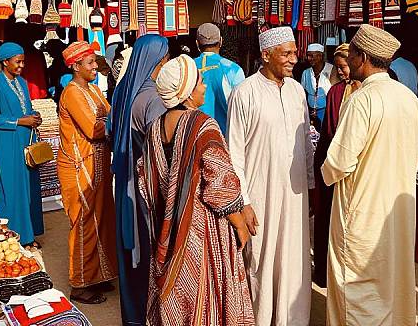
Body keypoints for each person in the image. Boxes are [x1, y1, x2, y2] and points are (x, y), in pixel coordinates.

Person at [138, 55, 254, 325]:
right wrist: (239, 223)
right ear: (187, 91)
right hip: (201, 228)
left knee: (178, 297)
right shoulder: (203, 125)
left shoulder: (155, 127)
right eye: (200, 81)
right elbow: (220, 185)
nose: (204, 87)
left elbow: (145, 177)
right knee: (206, 295)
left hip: (167, 232)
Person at [322, 25, 418, 326]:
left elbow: (338, 162)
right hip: (397, 212)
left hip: (362, 210)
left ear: (362, 57)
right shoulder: (409, 99)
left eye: (351, 52)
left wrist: (324, 172)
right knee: (391, 282)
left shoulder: (361, 99)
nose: (348, 58)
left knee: (357, 288)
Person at [227, 26, 314, 326]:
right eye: (286, 53)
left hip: (296, 193)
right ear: (266, 55)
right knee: (262, 261)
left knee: (294, 259)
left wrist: (311, 185)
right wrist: (244, 202)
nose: (294, 59)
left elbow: (305, 144)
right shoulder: (244, 93)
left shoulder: (297, 91)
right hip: (259, 195)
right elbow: (234, 151)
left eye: (295, 53)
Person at [111, 34, 169, 326]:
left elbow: (111, 131)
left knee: (129, 251)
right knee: (148, 251)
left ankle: (131, 316)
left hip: (123, 181)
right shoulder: (153, 98)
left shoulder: (122, 90)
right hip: (144, 186)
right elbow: (162, 149)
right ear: (161, 60)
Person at [57, 41, 118, 305]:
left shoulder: (92, 90)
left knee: (103, 220)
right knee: (84, 224)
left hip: (97, 165)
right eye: (91, 62)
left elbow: (110, 114)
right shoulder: (72, 93)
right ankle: (80, 284)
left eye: (95, 62)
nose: (95, 67)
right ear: (76, 66)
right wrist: (115, 120)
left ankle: (100, 274)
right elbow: (94, 129)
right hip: (78, 165)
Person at [0, 42, 44, 249]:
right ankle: (15, 237)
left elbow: (25, 109)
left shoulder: (22, 83)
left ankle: (29, 234)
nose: (21, 66)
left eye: (23, 61)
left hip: (24, 142)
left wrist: (34, 117)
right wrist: (19, 121)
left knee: (27, 187)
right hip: (6, 144)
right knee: (12, 189)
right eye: (17, 62)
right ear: (5, 62)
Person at [312, 43, 361, 288]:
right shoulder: (336, 93)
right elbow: (329, 133)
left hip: (355, 169)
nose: (342, 72)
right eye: (339, 67)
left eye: (345, 66)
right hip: (333, 162)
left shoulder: (367, 93)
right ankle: (324, 270)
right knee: (327, 219)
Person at [194, 23, 245, 135]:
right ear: (221, 41)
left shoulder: (188, 67)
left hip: (195, 136)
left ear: (197, 44)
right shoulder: (233, 69)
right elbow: (242, 109)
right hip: (224, 136)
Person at [300, 43, 333, 128]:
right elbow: (303, 93)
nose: (309, 58)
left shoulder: (331, 70)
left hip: (327, 111)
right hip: (310, 112)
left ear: (320, 56)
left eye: (312, 56)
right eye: (308, 55)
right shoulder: (306, 73)